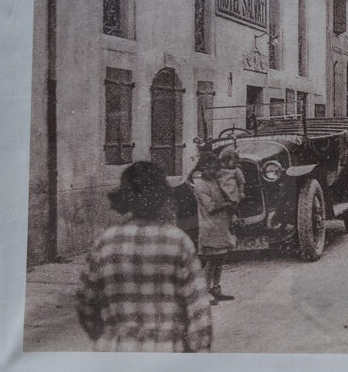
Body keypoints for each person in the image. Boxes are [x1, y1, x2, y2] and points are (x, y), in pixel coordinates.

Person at [76, 161, 212, 352]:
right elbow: (198, 309)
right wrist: (200, 352)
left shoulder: (105, 242)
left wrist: (108, 336)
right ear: (162, 197)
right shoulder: (178, 242)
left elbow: (86, 303)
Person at [194, 151, 238, 303]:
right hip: (209, 227)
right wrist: (228, 204)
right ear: (202, 167)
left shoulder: (214, 181)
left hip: (221, 226)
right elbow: (210, 206)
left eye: (214, 168)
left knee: (221, 259)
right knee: (212, 261)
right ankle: (205, 292)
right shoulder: (200, 185)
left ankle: (216, 288)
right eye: (209, 169)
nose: (212, 171)